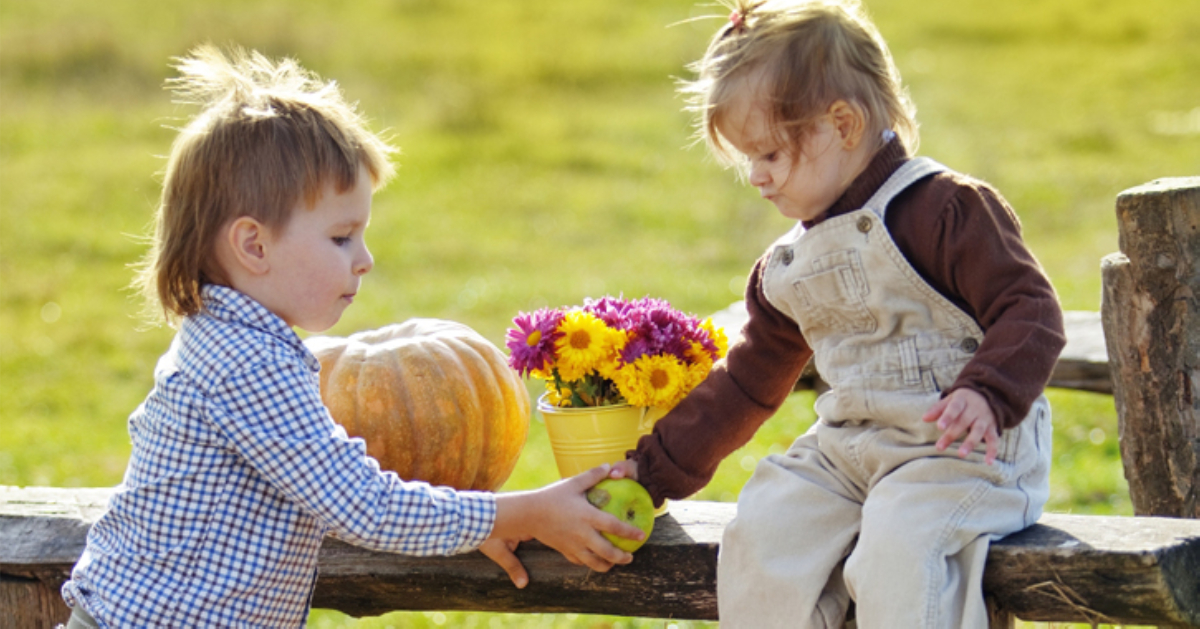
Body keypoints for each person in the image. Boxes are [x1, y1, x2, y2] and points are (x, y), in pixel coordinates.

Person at [60, 45, 643, 629]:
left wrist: (466, 524)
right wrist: (522, 513)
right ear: (254, 246)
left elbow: (333, 496)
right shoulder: (246, 365)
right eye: (341, 237)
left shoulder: (227, 338)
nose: (363, 260)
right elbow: (361, 503)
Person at [609, 1, 1066, 626]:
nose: (757, 178)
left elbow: (1031, 310)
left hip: (960, 453)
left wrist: (987, 392)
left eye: (770, 154)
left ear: (842, 124)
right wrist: (652, 471)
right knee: (765, 524)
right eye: (748, 160)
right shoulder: (789, 266)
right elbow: (745, 384)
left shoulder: (946, 210)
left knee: (901, 547)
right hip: (852, 448)